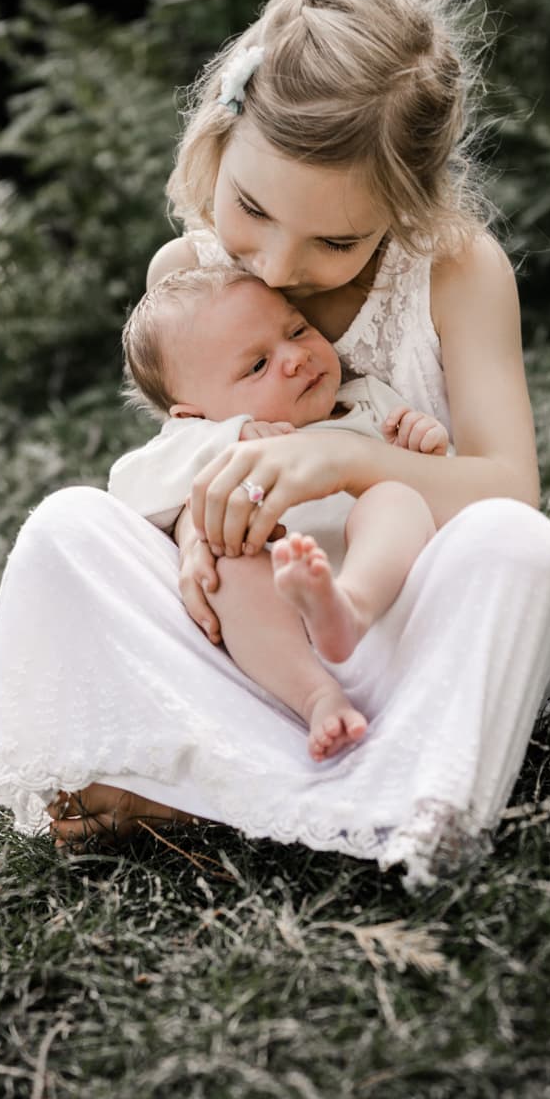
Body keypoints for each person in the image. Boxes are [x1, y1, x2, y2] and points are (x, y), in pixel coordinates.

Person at [0, 0, 550, 886]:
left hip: (411, 629)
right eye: (252, 208)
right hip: (261, 647)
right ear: (218, 137)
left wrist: (345, 458)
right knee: (65, 529)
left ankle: (363, 789)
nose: (281, 264)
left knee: (526, 552)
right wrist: (194, 535)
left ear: (408, 203)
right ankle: (329, 773)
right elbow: (183, 452)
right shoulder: (192, 273)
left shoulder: (456, 268)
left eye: (336, 239)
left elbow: (509, 487)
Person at [114, 263, 449, 760]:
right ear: (194, 413)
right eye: (256, 366)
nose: (295, 357)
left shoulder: (370, 402)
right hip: (278, 638)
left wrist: (424, 449)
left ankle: (347, 607)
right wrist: (229, 437)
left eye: (297, 330)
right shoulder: (199, 439)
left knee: (395, 496)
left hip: (381, 613)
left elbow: (446, 499)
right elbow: (125, 487)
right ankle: (318, 698)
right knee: (229, 562)